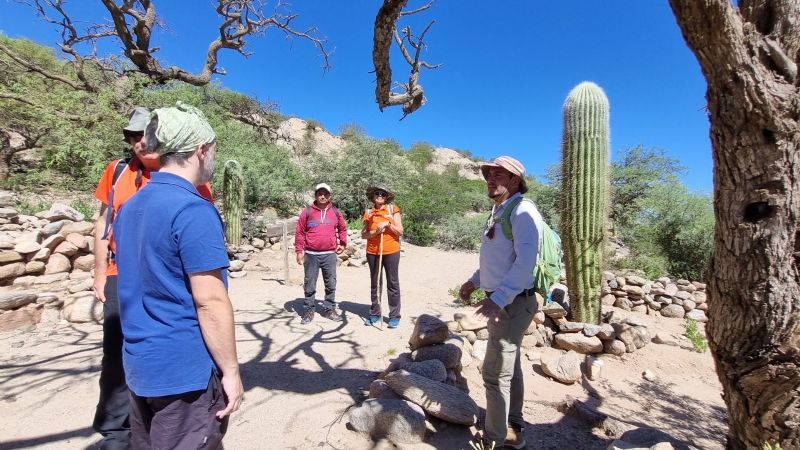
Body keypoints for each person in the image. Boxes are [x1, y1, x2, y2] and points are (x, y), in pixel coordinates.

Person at [113, 102, 243, 449]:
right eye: (213, 149)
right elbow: (210, 300)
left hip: (140, 365)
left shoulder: (129, 208)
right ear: (200, 150)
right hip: (184, 372)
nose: (214, 156)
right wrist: (231, 372)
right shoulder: (193, 210)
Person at [90, 107, 214, 450]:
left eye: (144, 135)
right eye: (131, 137)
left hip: (164, 271)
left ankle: (161, 419)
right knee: (116, 350)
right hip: (121, 270)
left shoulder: (187, 180)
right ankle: (116, 432)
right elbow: (103, 223)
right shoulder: (117, 172)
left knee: (163, 343)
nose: (138, 142)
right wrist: (100, 273)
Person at [459, 155, 543, 450]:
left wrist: (498, 299)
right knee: (511, 366)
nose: (491, 180)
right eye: (489, 175)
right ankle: (514, 423)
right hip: (504, 301)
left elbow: (525, 265)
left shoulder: (523, 212)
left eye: (499, 175)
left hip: (512, 303)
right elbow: (496, 261)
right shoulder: (500, 211)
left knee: (494, 375)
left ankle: (495, 439)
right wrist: (474, 281)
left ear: (515, 181)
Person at [295, 182, 347, 324]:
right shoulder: (307, 212)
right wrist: (299, 251)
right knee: (309, 283)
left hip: (329, 254)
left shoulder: (335, 212)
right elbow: (299, 232)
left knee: (330, 283)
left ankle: (329, 309)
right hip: (311, 254)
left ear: (329, 196)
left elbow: (342, 228)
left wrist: (343, 243)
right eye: (319, 193)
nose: (322, 196)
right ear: (316, 195)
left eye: (325, 194)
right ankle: (309, 310)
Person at [361, 184, 404, 328]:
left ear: (387, 197)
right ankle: (374, 313)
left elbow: (400, 231)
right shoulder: (368, 212)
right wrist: (376, 232)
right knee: (375, 283)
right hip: (373, 251)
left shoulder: (393, 210)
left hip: (391, 251)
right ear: (373, 196)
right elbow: (364, 234)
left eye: (383, 194)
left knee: (392, 283)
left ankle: (394, 316)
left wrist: (388, 225)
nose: (380, 195)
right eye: (377, 193)